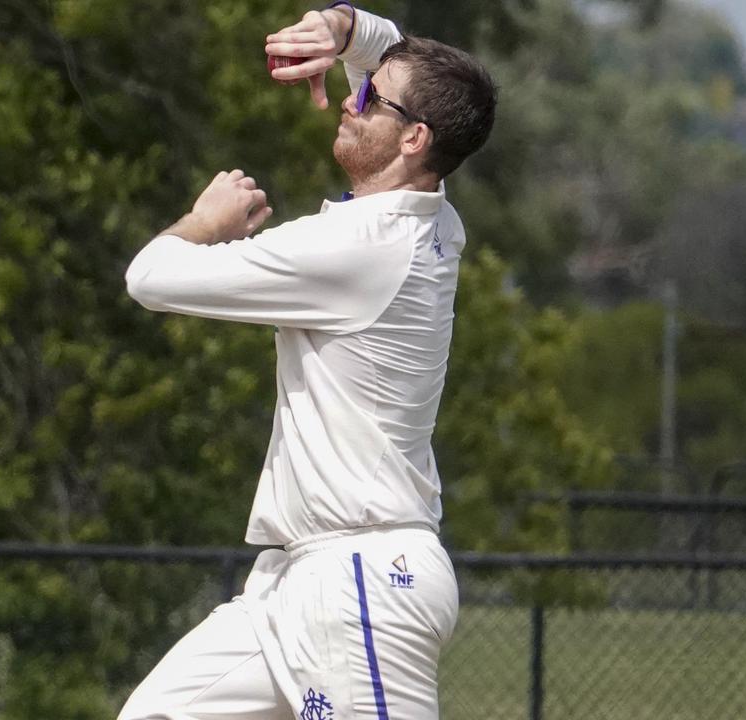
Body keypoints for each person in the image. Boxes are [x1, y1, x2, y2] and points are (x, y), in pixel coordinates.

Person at [118, 3, 496, 718]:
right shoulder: (433, 212)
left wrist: (206, 224)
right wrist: (341, 27)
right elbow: (394, 56)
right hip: (295, 580)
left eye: (367, 99)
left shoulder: (359, 247)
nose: (351, 102)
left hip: (364, 580)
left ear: (414, 137)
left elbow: (150, 278)